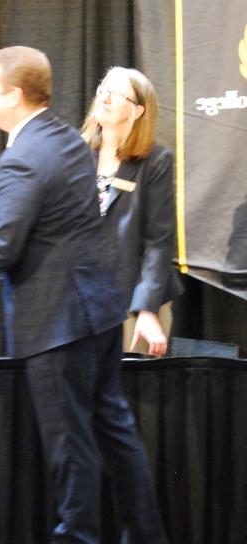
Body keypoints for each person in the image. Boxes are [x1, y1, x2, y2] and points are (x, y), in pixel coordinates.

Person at [0, 46, 174, 544]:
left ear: (13, 94)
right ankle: (146, 540)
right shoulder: (63, 138)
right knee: (112, 427)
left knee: (69, 438)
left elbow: (8, 248)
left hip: (59, 315)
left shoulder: (23, 154)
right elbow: (48, 212)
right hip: (98, 309)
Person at [80, 67, 183, 357]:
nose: (105, 98)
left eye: (116, 93)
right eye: (103, 90)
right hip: (82, 300)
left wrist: (146, 309)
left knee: (127, 395)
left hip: (133, 301)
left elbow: (158, 243)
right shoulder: (75, 155)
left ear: (138, 111)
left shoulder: (156, 162)